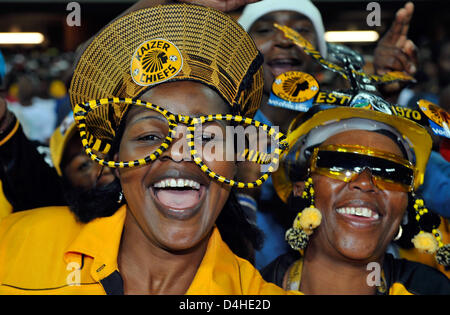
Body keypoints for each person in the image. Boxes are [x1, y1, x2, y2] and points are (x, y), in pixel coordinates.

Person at [0, 3, 298, 295]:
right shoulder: (18, 244)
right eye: (149, 137)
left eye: (207, 137)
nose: (181, 153)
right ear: (115, 161)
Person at [261, 105, 450, 294]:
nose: (365, 183)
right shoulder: (246, 288)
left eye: (390, 172)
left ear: (405, 206)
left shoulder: (433, 289)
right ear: (300, 190)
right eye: (341, 164)